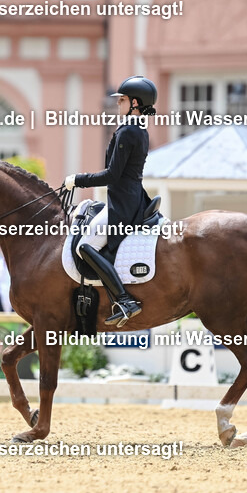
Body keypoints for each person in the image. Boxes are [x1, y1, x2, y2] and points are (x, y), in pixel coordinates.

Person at [63, 75, 157, 326]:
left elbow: (112, 175)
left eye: (123, 100)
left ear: (135, 103)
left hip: (123, 203)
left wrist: (78, 179)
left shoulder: (128, 131)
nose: (118, 104)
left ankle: (124, 299)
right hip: (131, 197)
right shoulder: (140, 128)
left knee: (85, 247)